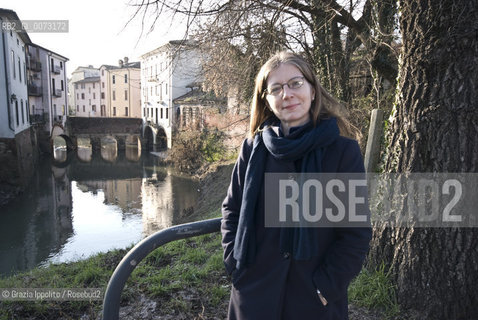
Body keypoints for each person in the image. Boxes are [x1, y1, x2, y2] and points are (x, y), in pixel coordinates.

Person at [221, 51, 372, 320]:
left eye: (295, 83)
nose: (286, 94)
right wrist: (234, 263)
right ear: (266, 100)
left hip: (313, 302)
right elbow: (232, 210)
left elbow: (355, 235)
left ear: (313, 90)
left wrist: (325, 288)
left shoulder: (342, 152)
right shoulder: (252, 149)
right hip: (253, 295)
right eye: (275, 88)